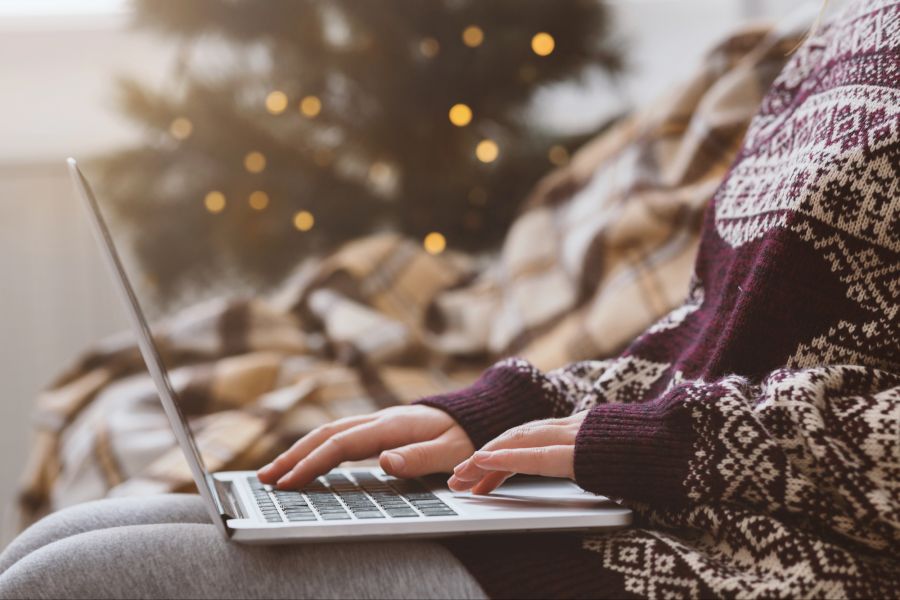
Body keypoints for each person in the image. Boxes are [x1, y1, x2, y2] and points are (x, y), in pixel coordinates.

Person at [1, 0, 898, 597]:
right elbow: (717, 337)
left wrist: (674, 443)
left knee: (65, 583)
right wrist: (508, 409)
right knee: (53, 547)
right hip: (676, 493)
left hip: (775, 561)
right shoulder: (844, 27)